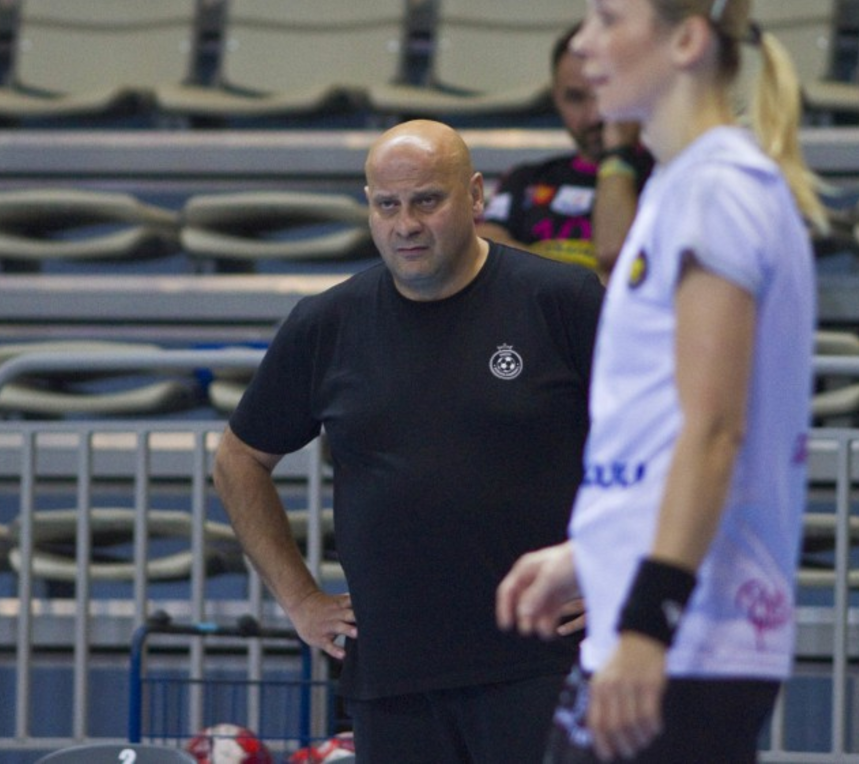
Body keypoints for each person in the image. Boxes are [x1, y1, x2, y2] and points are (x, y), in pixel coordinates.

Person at [495, 0, 827, 764]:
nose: (584, 44)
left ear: (686, 40)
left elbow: (713, 431)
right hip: (664, 620)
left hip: (688, 635)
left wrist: (649, 624)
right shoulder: (683, 186)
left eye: (608, 17)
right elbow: (658, 430)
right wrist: (592, 553)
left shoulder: (719, 190)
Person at [211, 119, 605, 764]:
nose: (406, 225)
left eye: (427, 201)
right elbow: (238, 459)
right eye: (387, 206)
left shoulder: (561, 300)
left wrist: (624, 572)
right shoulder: (326, 323)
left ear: (474, 196)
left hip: (543, 666)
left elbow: (665, 442)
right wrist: (300, 599)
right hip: (394, 680)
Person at [477, 23, 653, 278]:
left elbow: (619, 258)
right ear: (555, 99)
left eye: (605, 92)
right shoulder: (525, 180)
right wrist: (585, 279)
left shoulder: (668, 177)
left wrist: (618, 156)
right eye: (575, 98)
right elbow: (486, 248)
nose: (594, 116)